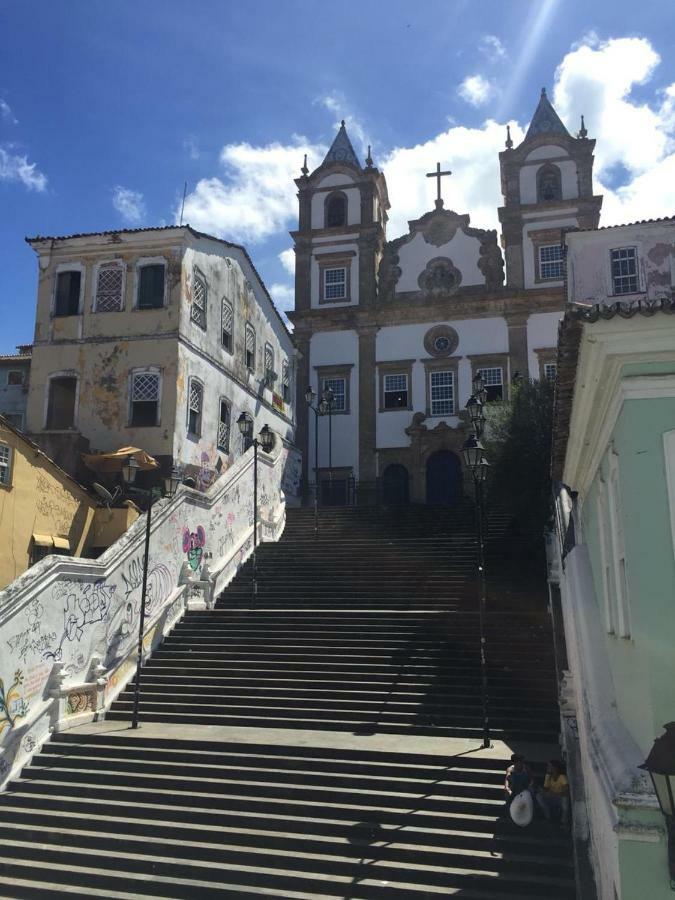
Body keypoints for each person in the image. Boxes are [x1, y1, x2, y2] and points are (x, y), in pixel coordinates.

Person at [536, 759, 570, 828]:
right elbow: (546, 789)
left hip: (560, 799)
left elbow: (566, 792)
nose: (548, 768)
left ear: (555, 768)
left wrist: (554, 794)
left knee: (565, 800)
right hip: (552, 798)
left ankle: (564, 823)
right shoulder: (548, 776)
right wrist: (541, 790)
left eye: (550, 766)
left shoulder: (562, 777)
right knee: (539, 796)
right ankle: (548, 817)